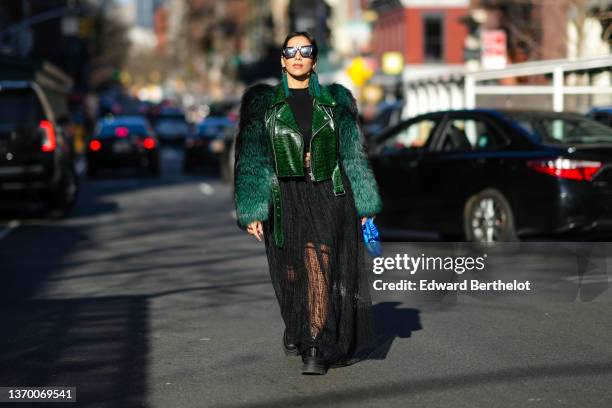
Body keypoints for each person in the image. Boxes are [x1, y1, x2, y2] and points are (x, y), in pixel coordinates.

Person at [233, 31, 382, 375]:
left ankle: (315, 341)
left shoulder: (337, 101)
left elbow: (352, 154)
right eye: (291, 51)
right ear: (283, 59)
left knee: (318, 263)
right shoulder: (260, 103)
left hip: (327, 190)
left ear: (315, 60)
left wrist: (365, 203)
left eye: (306, 51)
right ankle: (297, 324)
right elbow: (252, 156)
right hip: (283, 195)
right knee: (290, 271)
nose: (298, 56)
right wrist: (253, 207)